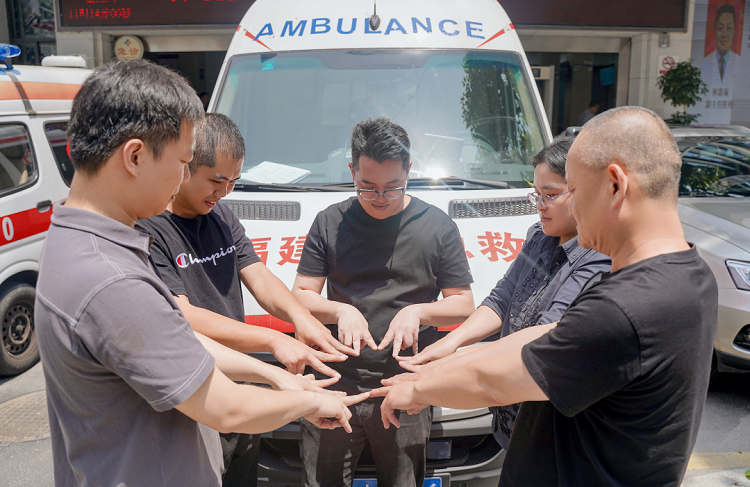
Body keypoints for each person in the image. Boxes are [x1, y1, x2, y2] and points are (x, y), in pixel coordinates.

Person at [34, 59, 367, 487]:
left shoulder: (79, 241)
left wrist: (274, 372)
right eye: (182, 162)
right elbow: (227, 408)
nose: (182, 177)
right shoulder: (111, 279)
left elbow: (173, 338)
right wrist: (308, 401)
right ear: (135, 156)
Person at [374, 106, 718, 486]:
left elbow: (499, 380)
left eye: (574, 191)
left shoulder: (626, 307)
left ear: (615, 186)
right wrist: (442, 363)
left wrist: (418, 389)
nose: (570, 207)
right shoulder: (691, 276)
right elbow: (544, 335)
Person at [137, 112, 353, 486]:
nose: (224, 192)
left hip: (246, 387)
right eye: (216, 181)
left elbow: (258, 275)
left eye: (233, 181)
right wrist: (272, 339)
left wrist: (301, 318)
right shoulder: (152, 229)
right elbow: (183, 315)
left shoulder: (222, 215)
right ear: (186, 167)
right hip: (199, 396)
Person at [292, 116, 475, 487]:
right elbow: (300, 295)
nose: (379, 198)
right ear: (352, 171)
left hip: (406, 387)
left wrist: (418, 312)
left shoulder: (437, 226)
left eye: (393, 188)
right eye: (367, 188)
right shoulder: (330, 222)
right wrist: (340, 310)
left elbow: (463, 303)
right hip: (335, 384)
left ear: (409, 170)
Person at [397, 134, 610, 450]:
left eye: (551, 195)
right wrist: (450, 343)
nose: (540, 206)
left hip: (548, 422)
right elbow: (502, 299)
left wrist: (443, 370)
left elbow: (541, 339)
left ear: (584, 192)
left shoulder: (597, 259)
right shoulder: (539, 236)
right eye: (536, 194)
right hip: (510, 415)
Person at [702, 4, 740, 85]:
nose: (724, 34)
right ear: (715, 30)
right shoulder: (704, 62)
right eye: (720, 28)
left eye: (729, 28)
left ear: (734, 31)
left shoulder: (741, 63)